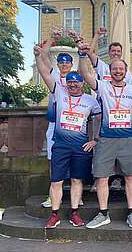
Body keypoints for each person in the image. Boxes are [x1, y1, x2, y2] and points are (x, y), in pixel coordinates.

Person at [77, 41, 132, 229]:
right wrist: (82, 55)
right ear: (110, 70)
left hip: (128, 138)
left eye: (121, 69)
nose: (118, 71)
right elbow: (86, 75)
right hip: (106, 139)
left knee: (130, 177)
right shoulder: (103, 86)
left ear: (126, 72)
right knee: (102, 177)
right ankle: (103, 213)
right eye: (115, 69)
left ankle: (131, 212)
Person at [34, 45, 101, 229]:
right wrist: (39, 56)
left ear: (82, 83)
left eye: (76, 82)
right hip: (61, 145)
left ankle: (74, 213)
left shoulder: (90, 100)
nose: (72, 84)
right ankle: (54, 214)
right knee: (56, 181)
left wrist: (94, 139)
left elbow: (98, 120)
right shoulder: (59, 93)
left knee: (77, 180)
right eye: (70, 82)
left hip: (80, 147)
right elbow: (45, 74)